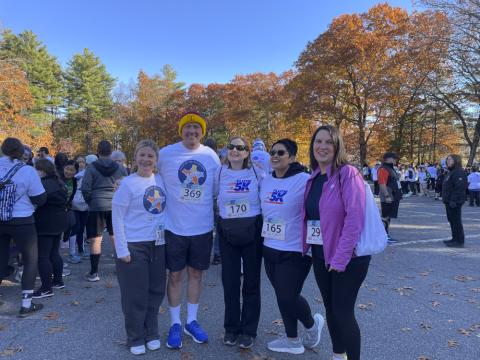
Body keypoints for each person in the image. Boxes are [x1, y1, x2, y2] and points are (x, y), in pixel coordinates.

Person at [302, 125, 369, 360]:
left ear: (337, 146)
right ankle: (337, 355)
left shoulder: (347, 173)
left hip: (347, 258)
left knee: (343, 312)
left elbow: (355, 218)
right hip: (321, 253)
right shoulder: (314, 177)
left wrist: (340, 257)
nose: (322, 146)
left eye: (329, 142)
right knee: (330, 309)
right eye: (318, 141)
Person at [157, 112, 220, 349]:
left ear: (202, 132)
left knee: (196, 274)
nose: (192, 132)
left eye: (196, 128)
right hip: (174, 227)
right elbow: (150, 175)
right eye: (188, 127)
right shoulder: (166, 154)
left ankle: (191, 321)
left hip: (202, 227)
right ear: (180, 130)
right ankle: (175, 323)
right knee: (175, 275)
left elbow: (214, 190)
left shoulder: (210, 156)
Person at [260, 138, 323, 355]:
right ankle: (292, 340)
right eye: (273, 152)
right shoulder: (266, 180)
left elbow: (320, 207)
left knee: (288, 295)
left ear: (292, 157)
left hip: (295, 250)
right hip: (269, 247)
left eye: (281, 152)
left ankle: (312, 325)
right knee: (282, 295)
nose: (275, 156)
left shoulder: (305, 180)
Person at [112, 140, 167, 355]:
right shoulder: (127, 184)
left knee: (155, 292)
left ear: (156, 160)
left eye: (150, 156)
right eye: (142, 155)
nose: (146, 159)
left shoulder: (161, 180)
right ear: (135, 158)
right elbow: (117, 217)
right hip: (134, 246)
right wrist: (122, 249)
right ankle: (134, 337)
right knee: (135, 295)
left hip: (158, 244)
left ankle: (151, 332)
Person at [216, 136, 263, 349]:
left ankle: (249, 330)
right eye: (231, 146)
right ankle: (231, 328)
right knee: (230, 282)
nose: (235, 150)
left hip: (252, 231)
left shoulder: (257, 173)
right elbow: (207, 196)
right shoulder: (219, 173)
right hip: (227, 233)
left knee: (251, 282)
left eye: (241, 147)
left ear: (247, 153)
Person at [0, 138, 46, 317]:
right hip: (22, 220)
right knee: (29, 259)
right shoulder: (27, 171)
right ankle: (26, 304)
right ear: (21, 152)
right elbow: (40, 198)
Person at [81, 140, 128, 282]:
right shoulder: (120, 168)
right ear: (111, 151)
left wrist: (91, 201)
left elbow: (85, 188)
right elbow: (127, 186)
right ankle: (120, 269)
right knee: (116, 237)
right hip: (115, 205)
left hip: (97, 205)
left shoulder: (91, 168)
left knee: (96, 239)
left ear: (98, 151)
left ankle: (94, 273)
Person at [32, 159, 68, 298]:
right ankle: (58, 281)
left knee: (43, 256)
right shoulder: (59, 182)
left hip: (46, 223)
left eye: (36, 169)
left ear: (42, 170)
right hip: (59, 221)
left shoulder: (43, 184)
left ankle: (46, 288)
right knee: (54, 252)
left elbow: (37, 201)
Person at [442, 154, 468, 248]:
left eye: (450, 160)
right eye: (447, 160)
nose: (448, 161)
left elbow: (459, 187)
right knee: (452, 220)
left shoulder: (458, 172)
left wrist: (454, 200)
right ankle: (454, 238)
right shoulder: (451, 172)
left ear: (456, 161)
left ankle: (459, 241)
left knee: (456, 221)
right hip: (449, 201)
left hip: (455, 201)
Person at [378, 152, 403, 244]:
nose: (396, 160)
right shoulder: (383, 169)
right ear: (390, 159)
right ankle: (384, 236)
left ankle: (385, 235)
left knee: (388, 217)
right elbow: (382, 183)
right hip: (388, 197)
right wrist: (387, 196)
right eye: (395, 158)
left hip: (394, 196)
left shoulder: (390, 168)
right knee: (385, 216)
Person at [204, 138, 221, 266]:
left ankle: (205, 253)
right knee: (218, 228)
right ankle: (217, 254)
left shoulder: (203, 158)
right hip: (218, 198)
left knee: (209, 228)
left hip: (207, 199)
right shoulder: (220, 159)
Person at [62, 160, 81, 264]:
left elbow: (72, 194)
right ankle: (58, 260)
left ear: (76, 171)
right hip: (57, 209)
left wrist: (67, 206)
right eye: (67, 169)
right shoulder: (58, 179)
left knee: (74, 225)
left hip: (67, 207)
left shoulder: (74, 181)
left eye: (72, 170)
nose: (68, 172)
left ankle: (72, 253)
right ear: (64, 168)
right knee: (58, 233)